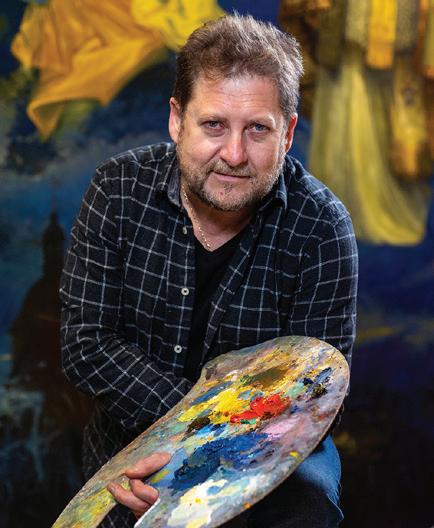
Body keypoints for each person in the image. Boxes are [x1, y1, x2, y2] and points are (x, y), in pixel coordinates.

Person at [60, 14, 358, 528]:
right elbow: (86, 346)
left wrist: (196, 461)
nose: (235, 154)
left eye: (258, 129)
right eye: (214, 125)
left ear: (288, 133)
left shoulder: (323, 228)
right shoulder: (117, 190)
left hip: (269, 453)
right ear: (177, 120)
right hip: (133, 437)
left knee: (307, 506)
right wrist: (175, 447)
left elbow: (315, 396)